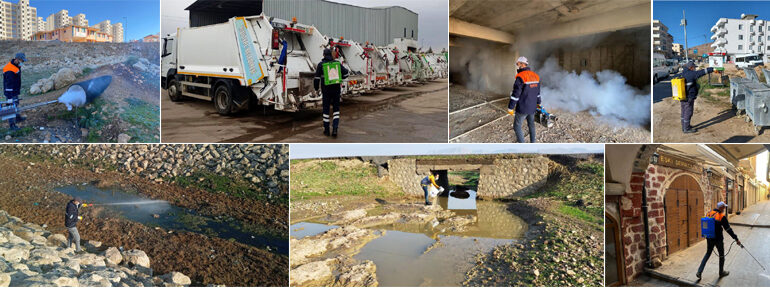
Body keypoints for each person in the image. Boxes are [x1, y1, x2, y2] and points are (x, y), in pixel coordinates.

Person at [696, 201, 741, 280]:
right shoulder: (721, 216)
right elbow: (728, 229)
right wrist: (736, 238)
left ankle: (699, 271)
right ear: (721, 208)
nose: (724, 208)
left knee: (707, 254)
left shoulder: (709, 213)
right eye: (724, 207)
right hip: (718, 240)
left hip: (709, 238)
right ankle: (721, 272)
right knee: (721, 255)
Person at [314, 48, 349, 138]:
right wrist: (339, 77)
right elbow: (346, 74)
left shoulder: (321, 65)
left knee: (326, 110)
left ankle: (326, 130)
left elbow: (316, 78)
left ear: (324, 55)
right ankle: (335, 129)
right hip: (336, 90)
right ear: (331, 54)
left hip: (326, 91)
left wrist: (316, 88)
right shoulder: (337, 64)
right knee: (336, 110)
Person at [507, 56, 541, 143]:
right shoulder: (535, 76)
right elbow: (538, 93)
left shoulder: (520, 76)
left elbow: (516, 94)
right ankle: (533, 143)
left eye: (518, 64)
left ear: (522, 64)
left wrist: (510, 107)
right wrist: (539, 103)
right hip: (532, 107)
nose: (517, 65)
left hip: (523, 107)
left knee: (517, 126)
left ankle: (523, 147)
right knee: (531, 125)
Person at [675, 61, 714, 134]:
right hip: (688, 97)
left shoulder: (683, 73)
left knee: (683, 112)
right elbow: (701, 72)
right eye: (694, 67)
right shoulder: (691, 74)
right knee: (688, 112)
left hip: (682, 96)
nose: (695, 69)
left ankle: (684, 126)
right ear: (691, 67)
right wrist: (711, 69)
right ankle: (686, 129)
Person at [3, 53, 26, 131]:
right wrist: (9, 97)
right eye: (21, 61)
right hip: (10, 92)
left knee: (16, 104)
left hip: (15, 90)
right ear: (17, 59)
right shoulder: (9, 69)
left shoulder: (16, 66)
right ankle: (12, 125)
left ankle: (17, 118)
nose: (22, 62)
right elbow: (8, 85)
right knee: (10, 107)